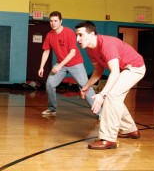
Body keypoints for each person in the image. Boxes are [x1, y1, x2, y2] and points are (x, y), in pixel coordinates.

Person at [75, 21, 146, 150]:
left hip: (134, 68)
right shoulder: (91, 50)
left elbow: (115, 72)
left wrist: (102, 95)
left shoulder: (107, 44)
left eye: (80, 35)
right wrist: (87, 86)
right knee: (115, 98)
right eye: (76, 35)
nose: (77, 39)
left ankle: (108, 139)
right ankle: (130, 130)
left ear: (92, 34)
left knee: (111, 95)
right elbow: (98, 71)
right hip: (123, 69)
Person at [38, 11, 99, 117]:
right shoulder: (49, 35)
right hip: (61, 64)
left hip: (75, 63)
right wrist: (41, 67)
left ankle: (100, 113)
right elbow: (46, 51)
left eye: (56, 21)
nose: (53, 23)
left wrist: (59, 65)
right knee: (50, 84)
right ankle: (52, 109)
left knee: (85, 87)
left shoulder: (69, 32)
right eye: (51, 21)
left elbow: (73, 52)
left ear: (61, 21)